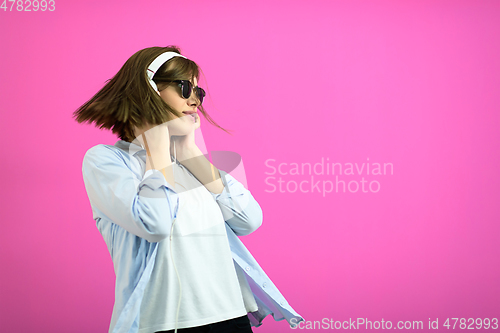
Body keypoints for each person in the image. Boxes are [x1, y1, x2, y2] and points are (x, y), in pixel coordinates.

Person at [73, 46, 304, 333]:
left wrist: (191, 153)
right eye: (184, 87)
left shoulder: (189, 161)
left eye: (199, 92)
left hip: (231, 317)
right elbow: (154, 224)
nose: (195, 99)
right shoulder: (106, 161)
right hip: (163, 324)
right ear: (149, 90)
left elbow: (249, 220)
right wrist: (156, 146)